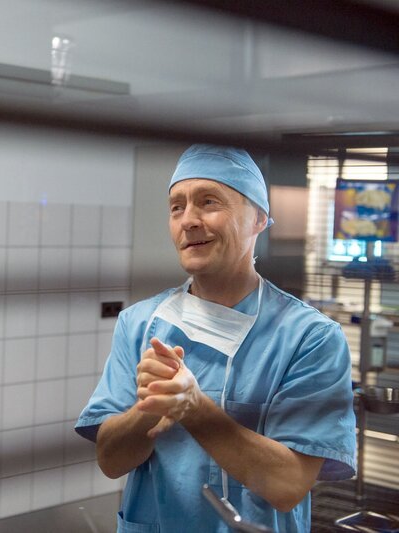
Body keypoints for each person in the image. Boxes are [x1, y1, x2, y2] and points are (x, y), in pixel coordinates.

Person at [75, 144, 356, 533]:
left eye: (209, 202)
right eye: (177, 207)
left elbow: (289, 485)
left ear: (259, 218)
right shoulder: (139, 324)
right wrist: (152, 408)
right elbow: (111, 461)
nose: (188, 220)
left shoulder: (310, 338)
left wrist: (194, 407)